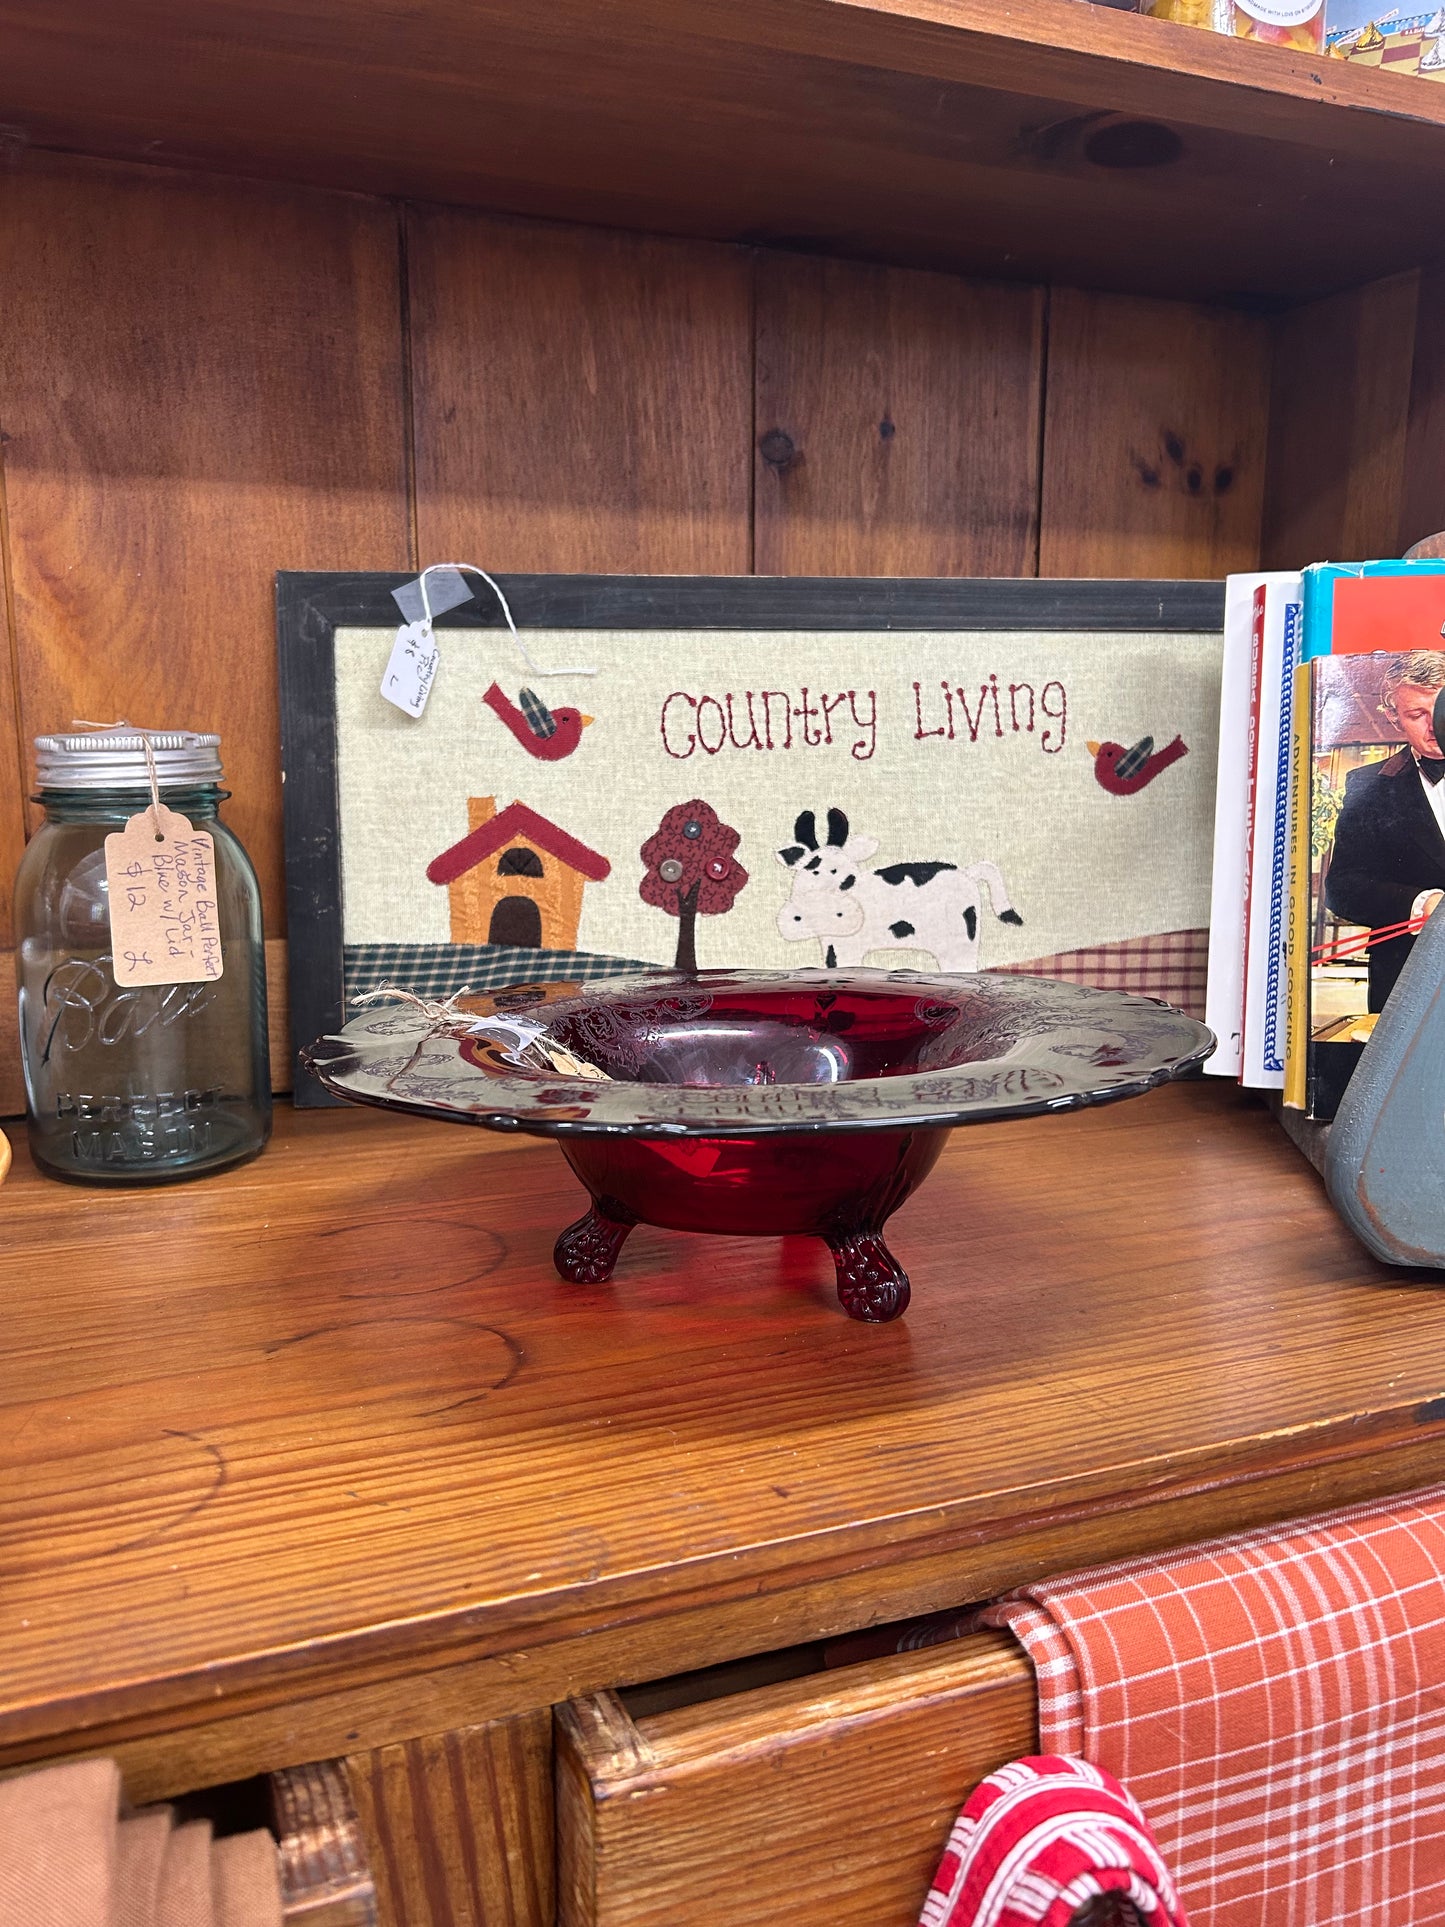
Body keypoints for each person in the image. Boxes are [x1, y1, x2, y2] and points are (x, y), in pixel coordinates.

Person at [1326, 649, 1445, 1012]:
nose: (1434, 726)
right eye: (1416, 715)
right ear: (1394, 719)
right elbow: (1342, 888)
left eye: (1440, 711)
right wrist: (1419, 904)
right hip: (1406, 979)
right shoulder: (1367, 785)